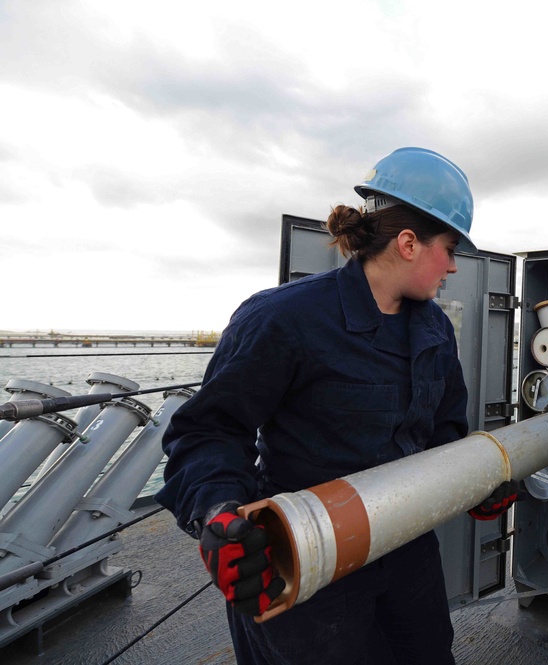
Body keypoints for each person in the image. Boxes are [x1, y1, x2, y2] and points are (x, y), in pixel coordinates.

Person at [156, 147, 516, 665]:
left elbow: (442, 436)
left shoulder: (435, 328)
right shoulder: (283, 318)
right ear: (410, 244)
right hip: (305, 554)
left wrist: (473, 482)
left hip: (406, 549)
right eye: (450, 248)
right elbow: (207, 431)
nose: (455, 266)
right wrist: (218, 513)